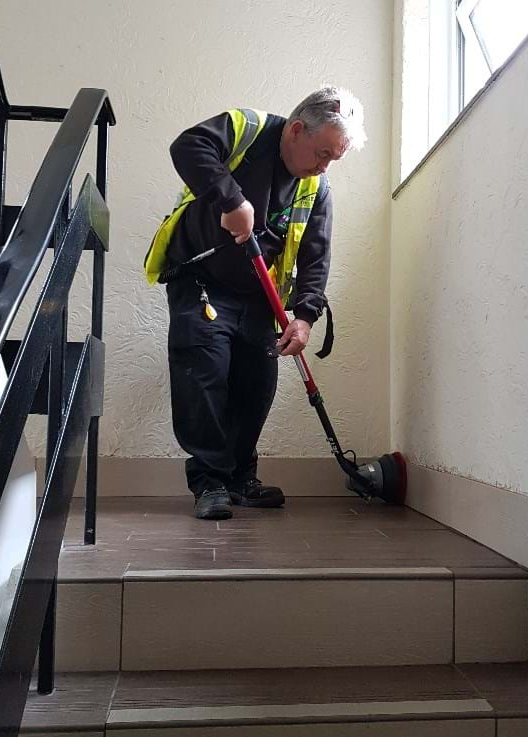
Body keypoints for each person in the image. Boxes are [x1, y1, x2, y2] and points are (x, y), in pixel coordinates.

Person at [147, 87, 366, 519]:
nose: (324, 167)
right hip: (201, 279)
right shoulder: (246, 129)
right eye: (322, 153)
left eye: (332, 160)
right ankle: (209, 480)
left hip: (259, 297)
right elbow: (188, 146)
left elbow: (315, 260)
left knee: (257, 383)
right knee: (204, 370)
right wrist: (231, 199)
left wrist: (303, 319)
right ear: (297, 130)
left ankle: (241, 477)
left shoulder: (315, 190)